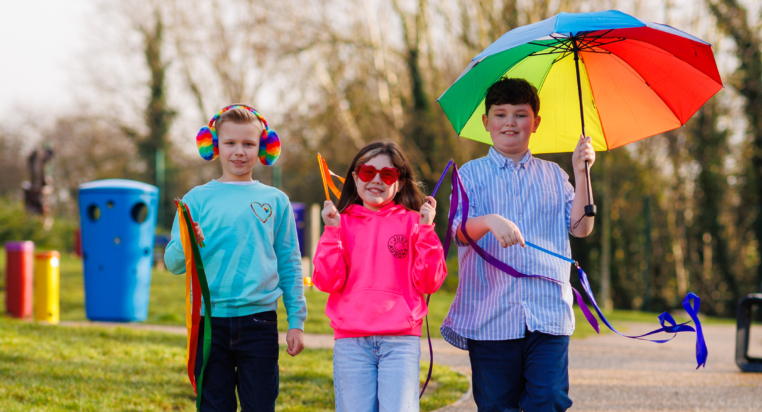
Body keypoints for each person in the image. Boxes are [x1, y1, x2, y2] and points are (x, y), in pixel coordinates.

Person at [440, 78, 596, 412]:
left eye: (521, 114)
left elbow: (581, 229)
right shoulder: (469, 175)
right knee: (497, 405)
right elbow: (458, 232)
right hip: (490, 315)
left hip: (548, 311)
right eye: (501, 114)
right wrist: (489, 221)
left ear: (536, 122)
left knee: (549, 398)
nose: (510, 122)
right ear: (486, 122)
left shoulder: (555, 175)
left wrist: (582, 175)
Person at [165, 104, 307, 412]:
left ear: (264, 148)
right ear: (214, 146)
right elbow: (173, 263)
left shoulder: (276, 201)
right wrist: (189, 242)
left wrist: (296, 321)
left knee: (260, 406)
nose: (239, 152)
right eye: (230, 143)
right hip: (208, 323)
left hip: (259, 322)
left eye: (248, 144)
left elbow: (290, 264)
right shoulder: (194, 200)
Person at [312, 141, 448, 412]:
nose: (376, 180)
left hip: (400, 340)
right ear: (355, 176)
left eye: (387, 174)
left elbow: (429, 282)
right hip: (351, 342)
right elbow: (326, 282)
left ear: (399, 181)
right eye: (367, 172)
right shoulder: (340, 221)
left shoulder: (414, 222)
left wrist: (426, 231)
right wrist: (331, 233)